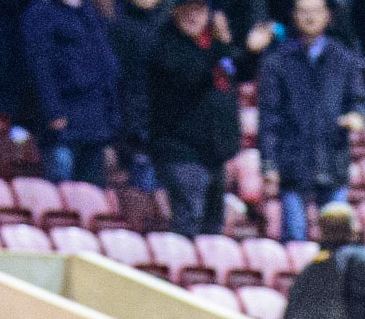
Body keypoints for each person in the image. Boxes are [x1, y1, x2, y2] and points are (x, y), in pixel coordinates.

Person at [147, 2, 268, 238]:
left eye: (200, 11)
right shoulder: (166, 45)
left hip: (214, 153)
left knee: (213, 225)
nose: (193, 17)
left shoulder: (212, 46)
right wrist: (221, 45)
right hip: (181, 151)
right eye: (187, 10)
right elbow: (194, 76)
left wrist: (252, 52)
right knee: (189, 219)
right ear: (175, 12)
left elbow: (238, 71)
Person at [258, 0, 365, 244]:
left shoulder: (344, 58)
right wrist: (269, 163)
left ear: (327, 16)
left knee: (338, 240)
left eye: (316, 11)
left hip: (333, 159)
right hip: (293, 164)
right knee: (295, 238)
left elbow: (358, 100)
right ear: (294, 16)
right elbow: (269, 117)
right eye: (303, 12)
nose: (310, 18)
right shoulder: (278, 61)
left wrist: (357, 116)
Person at [20, 0, 121, 188]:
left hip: (95, 123)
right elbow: (40, 68)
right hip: (63, 122)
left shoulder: (93, 13)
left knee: (92, 195)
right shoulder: (41, 13)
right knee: (61, 189)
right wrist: (53, 111)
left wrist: (111, 118)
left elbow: (107, 69)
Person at [110, 0, 169, 193]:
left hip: (168, 135)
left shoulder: (169, 27)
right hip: (136, 132)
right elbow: (118, 83)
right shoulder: (119, 27)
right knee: (142, 198)